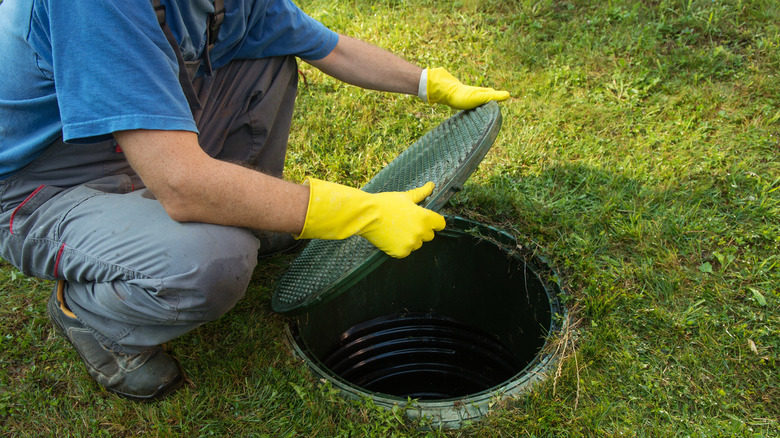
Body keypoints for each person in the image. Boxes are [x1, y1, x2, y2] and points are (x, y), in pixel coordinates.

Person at [0, 0, 510, 401]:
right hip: (43, 182)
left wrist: (429, 83)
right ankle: (88, 315)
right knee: (210, 261)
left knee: (266, 56)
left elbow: (327, 46)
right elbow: (181, 183)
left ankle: (240, 214)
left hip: (137, 142)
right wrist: (358, 211)